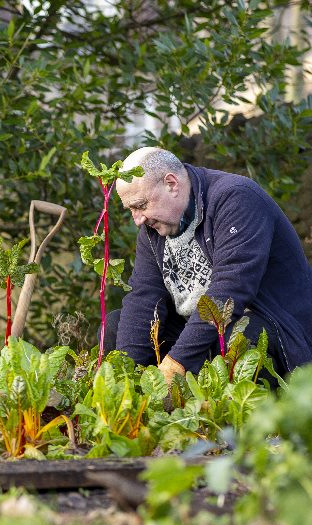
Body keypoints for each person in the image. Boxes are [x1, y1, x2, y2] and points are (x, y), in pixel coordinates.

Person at [106, 146, 312, 384]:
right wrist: (122, 381)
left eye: (141, 205)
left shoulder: (236, 199)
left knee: (245, 337)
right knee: (116, 325)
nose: (138, 219)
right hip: (205, 331)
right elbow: (144, 298)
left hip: (271, 328)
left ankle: (249, 418)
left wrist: (177, 364)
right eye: (131, 209)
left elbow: (229, 290)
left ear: (171, 184)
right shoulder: (154, 228)